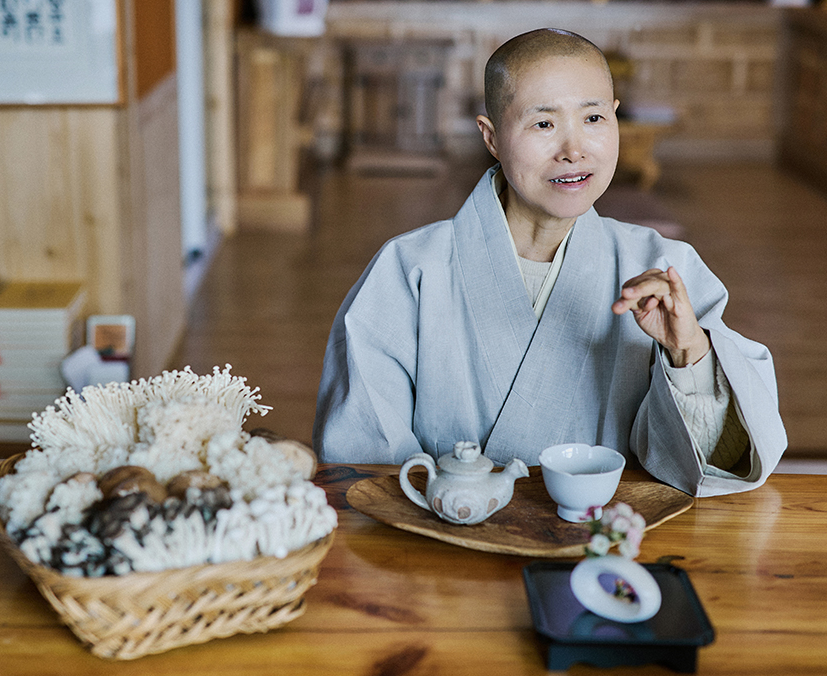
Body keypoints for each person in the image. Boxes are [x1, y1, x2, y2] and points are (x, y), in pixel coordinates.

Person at [312, 28, 787, 497]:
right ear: (491, 137)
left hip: (601, 544)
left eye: (594, 119)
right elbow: (364, 455)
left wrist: (689, 355)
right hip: (443, 541)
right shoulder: (410, 270)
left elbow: (719, 462)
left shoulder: (664, 269)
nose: (574, 149)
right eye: (543, 124)